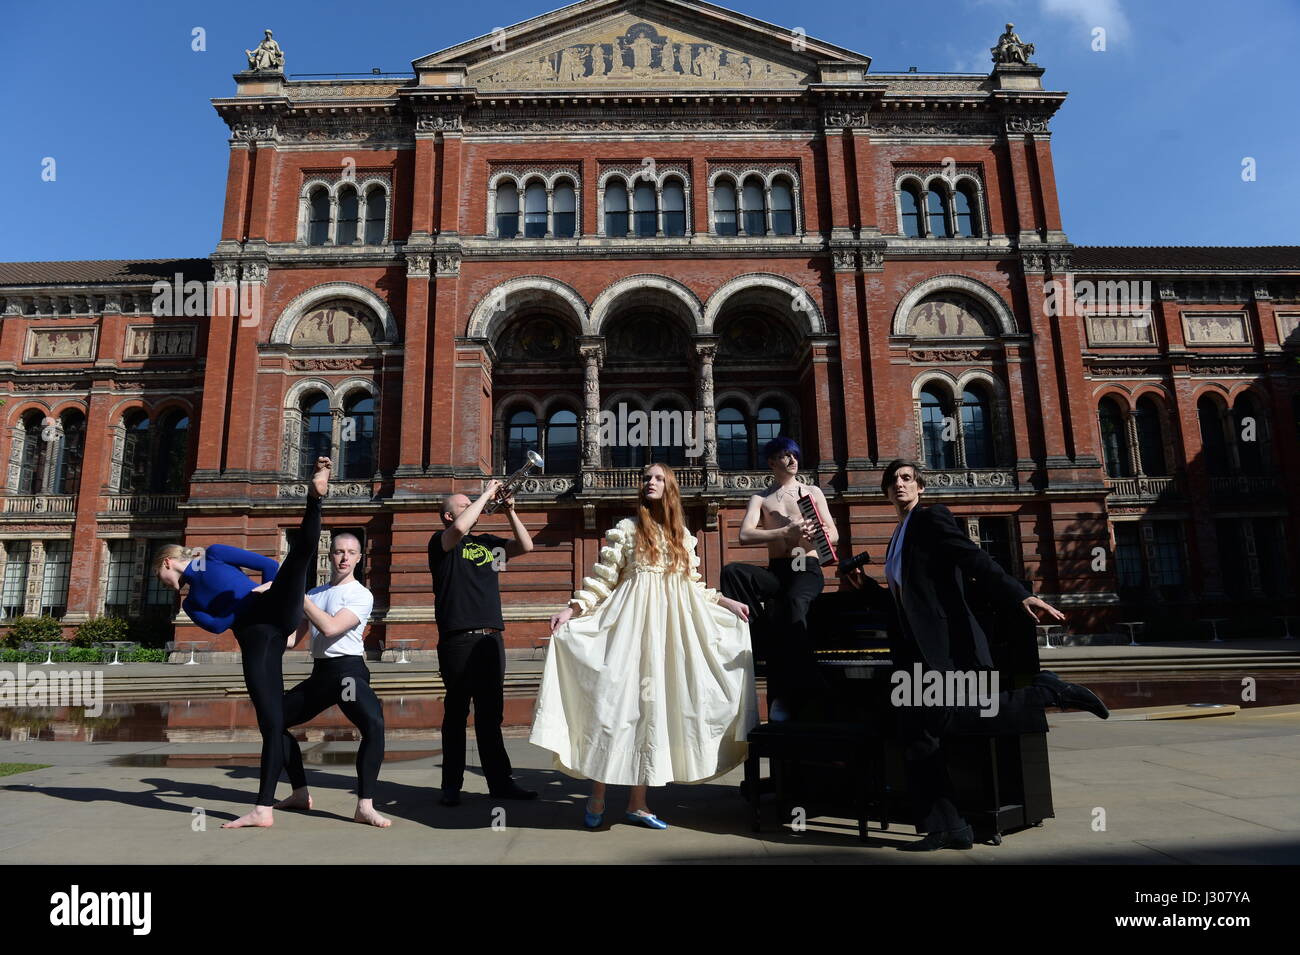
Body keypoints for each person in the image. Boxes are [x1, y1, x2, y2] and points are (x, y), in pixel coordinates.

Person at [842, 458, 1109, 851]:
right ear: (885, 491)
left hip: (947, 648)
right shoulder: (896, 536)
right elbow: (905, 603)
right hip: (914, 651)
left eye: (907, 478)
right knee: (918, 737)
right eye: (892, 480)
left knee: (964, 716)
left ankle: (1048, 693)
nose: (899, 485)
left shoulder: (932, 519)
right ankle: (948, 828)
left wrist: (1021, 595)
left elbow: (975, 558)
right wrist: (865, 587)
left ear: (920, 487)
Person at [531, 462, 757, 830]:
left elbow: (693, 586)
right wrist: (572, 608)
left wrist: (726, 602)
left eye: (657, 478)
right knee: (615, 708)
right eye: (646, 478)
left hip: (669, 634)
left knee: (653, 715)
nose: (649, 482)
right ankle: (599, 793)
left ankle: (638, 803)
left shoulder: (683, 536)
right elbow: (602, 580)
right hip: (629, 628)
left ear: (669, 487)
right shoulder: (626, 530)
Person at [153, 456, 331, 829]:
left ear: (167, 561)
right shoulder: (190, 602)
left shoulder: (211, 554)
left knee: (298, 558)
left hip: (272, 607)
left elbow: (269, 567)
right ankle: (297, 792)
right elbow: (220, 627)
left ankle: (315, 498)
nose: (160, 581)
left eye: (159, 573)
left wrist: (262, 589)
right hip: (255, 636)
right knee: (273, 721)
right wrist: (245, 601)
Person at [428, 480, 537, 807]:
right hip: (457, 639)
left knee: (491, 716)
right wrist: (488, 493)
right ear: (448, 516)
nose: (470, 506)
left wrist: (511, 511)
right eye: (463, 504)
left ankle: (500, 783)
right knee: (457, 713)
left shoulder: (488, 545)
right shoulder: (442, 543)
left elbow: (526, 545)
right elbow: (462, 526)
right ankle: (451, 785)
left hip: (491, 639)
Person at [274, 532, 389, 827]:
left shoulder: (361, 595)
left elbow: (330, 628)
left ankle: (365, 805)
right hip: (322, 675)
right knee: (273, 722)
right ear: (330, 555)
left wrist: (298, 596)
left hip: (348, 674)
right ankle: (299, 792)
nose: (344, 557)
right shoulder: (314, 594)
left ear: (359, 558)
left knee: (373, 725)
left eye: (351, 552)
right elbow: (290, 641)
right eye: (339, 551)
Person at [720, 437, 837, 721]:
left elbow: (833, 534)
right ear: (772, 462)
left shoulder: (811, 492)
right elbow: (745, 535)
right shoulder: (761, 499)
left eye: (794, 455)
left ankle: (807, 687)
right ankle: (760, 638)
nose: (792, 460)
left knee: (794, 601)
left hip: (804, 566)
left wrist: (814, 535)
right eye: (785, 456)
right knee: (732, 572)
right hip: (778, 569)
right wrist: (783, 533)